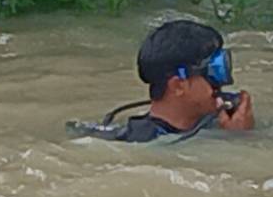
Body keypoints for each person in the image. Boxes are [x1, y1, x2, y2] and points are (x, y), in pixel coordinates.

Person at [71, 19, 255, 142]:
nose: (221, 83)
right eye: (213, 72)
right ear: (178, 85)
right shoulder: (138, 142)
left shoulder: (220, 118)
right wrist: (236, 140)